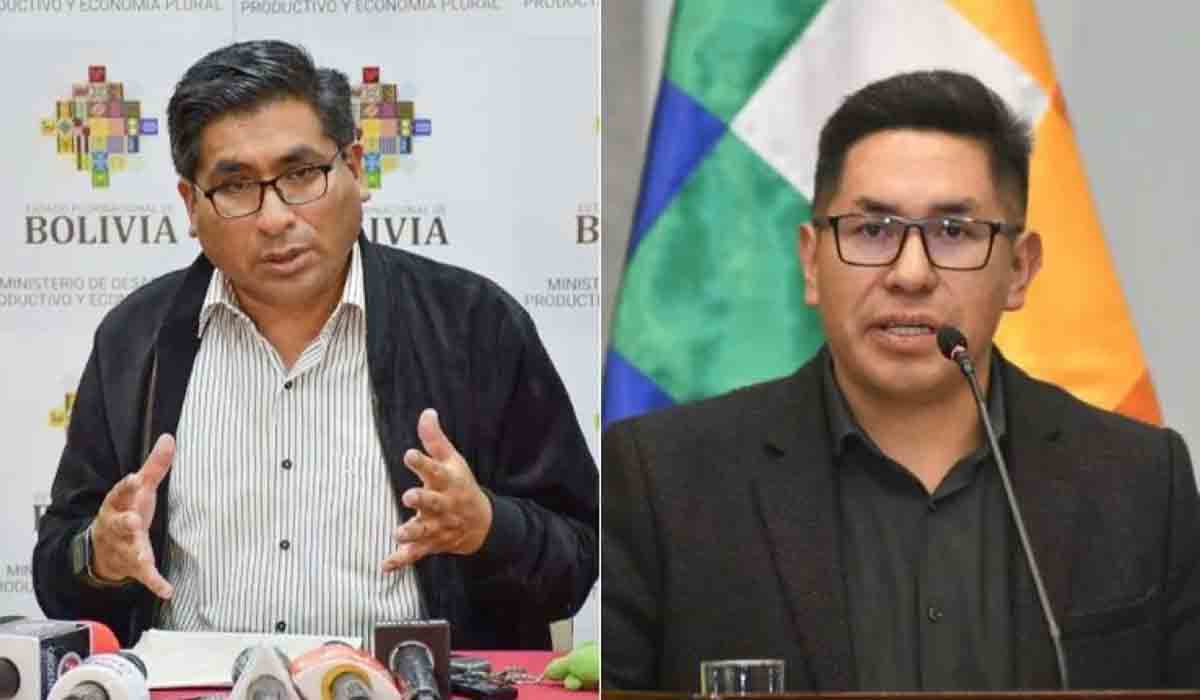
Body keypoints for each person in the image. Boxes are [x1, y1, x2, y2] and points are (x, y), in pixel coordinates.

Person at [602, 70, 1200, 690]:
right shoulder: (664, 481)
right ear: (811, 262)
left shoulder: (1139, 481)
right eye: (873, 230)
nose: (910, 274)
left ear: (1020, 271)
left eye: (953, 232)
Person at [33, 40, 598, 649]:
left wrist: (487, 527)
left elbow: (578, 557)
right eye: (236, 186)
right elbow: (58, 573)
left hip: (407, 685)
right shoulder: (134, 337)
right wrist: (98, 556)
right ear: (191, 206)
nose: (275, 217)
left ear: (355, 167)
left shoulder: (474, 324)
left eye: (302, 175)